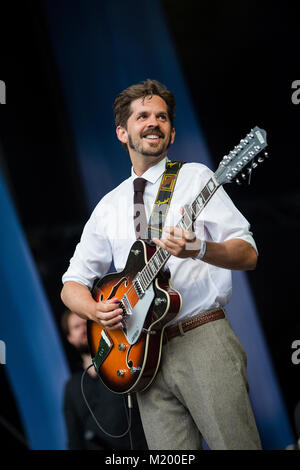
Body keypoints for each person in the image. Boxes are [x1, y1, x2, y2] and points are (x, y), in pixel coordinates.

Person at [61, 78, 262, 450]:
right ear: (123, 132)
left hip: (200, 338)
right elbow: (71, 284)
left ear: (170, 133)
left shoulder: (197, 178)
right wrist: (95, 309)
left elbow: (248, 254)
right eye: (143, 116)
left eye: (162, 117)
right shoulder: (108, 206)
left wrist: (199, 249)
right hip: (140, 360)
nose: (154, 122)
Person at [61, 309, 148, 450]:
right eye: (76, 327)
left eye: (86, 323)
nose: (83, 329)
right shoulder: (71, 387)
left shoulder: (123, 363)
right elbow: (74, 437)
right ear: (70, 338)